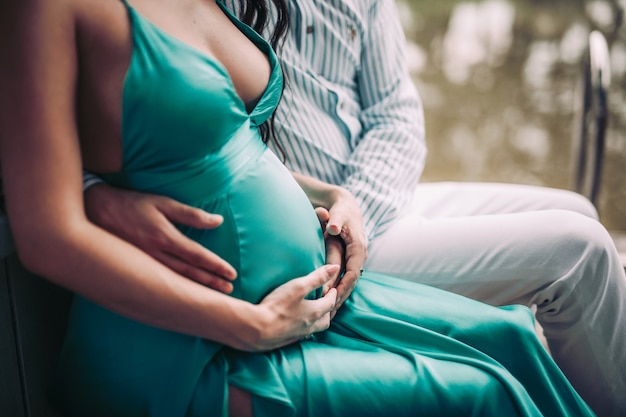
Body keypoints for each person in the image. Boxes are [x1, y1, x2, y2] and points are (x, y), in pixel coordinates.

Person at [0, 0, 598, 416]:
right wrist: (249, 325)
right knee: (485, 393)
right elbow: (45, 233)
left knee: (511, 338)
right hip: (198, 350)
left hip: (302, 296)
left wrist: (331, 196)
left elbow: (223, 145)